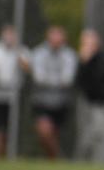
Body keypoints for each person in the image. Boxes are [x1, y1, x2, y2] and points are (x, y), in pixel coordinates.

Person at [29, 25, 77, 159]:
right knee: (44, 132)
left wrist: (50, 80)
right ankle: (57, 158)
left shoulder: (69, 54)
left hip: (61, 101)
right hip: (41, 100)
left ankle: (52, 161)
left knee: (54, 134)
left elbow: (68, 79)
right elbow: (38, 78)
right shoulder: (38, 53)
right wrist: (57, 81)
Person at [0, 25, 30, 157]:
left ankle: (11, 155)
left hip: (14, 96)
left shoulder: (21, 50)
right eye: (7, 34)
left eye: (12, 34)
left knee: (13, 129)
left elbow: (27, 68)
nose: (9, 38)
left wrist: (17, 53)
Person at [75, 28, 104, 162]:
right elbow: (79, 81)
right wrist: (84, 62)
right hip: (85, 101)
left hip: (100, 102)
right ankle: (82, 160)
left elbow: (99, 79)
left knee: (99, 133)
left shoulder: (102, 58)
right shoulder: (81, 60)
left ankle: (99, 161)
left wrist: (89, 61)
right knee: (84, 135)